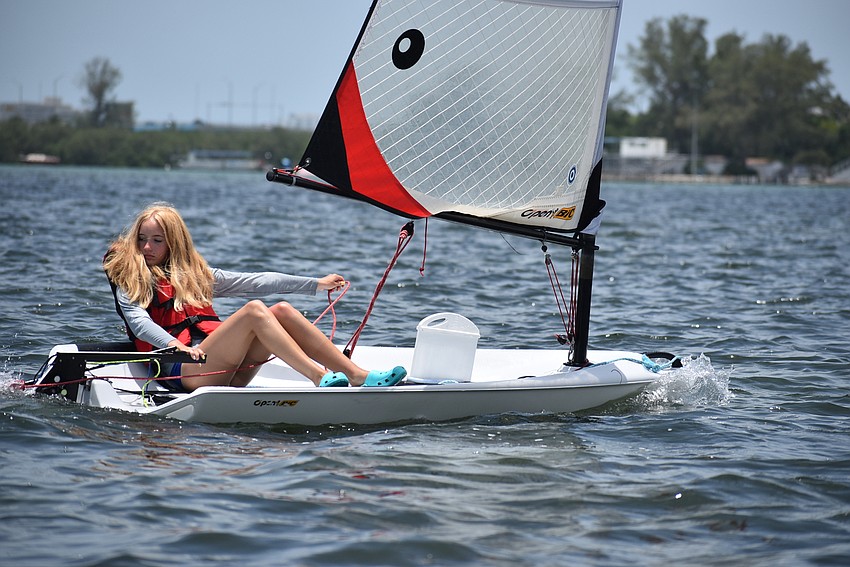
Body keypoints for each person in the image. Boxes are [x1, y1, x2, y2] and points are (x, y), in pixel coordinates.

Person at [102, 202, 406, 392]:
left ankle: (356, 374)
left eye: (157, 240)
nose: (147, 248)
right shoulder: (129, 274)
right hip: (184, 371)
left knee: (282, 310)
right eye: (142, 239)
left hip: (224, 371)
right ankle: (318, 376)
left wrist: (316, 284)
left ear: (174, 243)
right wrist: (175, 345)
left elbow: (258, 282)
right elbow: (139, 323)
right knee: (254, 311)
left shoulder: (194, 274)